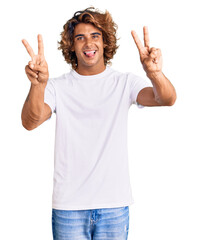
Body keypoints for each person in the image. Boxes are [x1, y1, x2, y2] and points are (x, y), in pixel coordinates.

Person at [21, 7, 176, 240]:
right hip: (69, 207)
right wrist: (37, 85)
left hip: (114, 205)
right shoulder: (56, 87)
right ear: (71, 46)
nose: (88, 43)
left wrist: (154, 74)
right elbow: (30, 122)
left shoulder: (124, 83)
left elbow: (166, 98)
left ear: (105, 43)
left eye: (95, 36)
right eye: (80, 37)